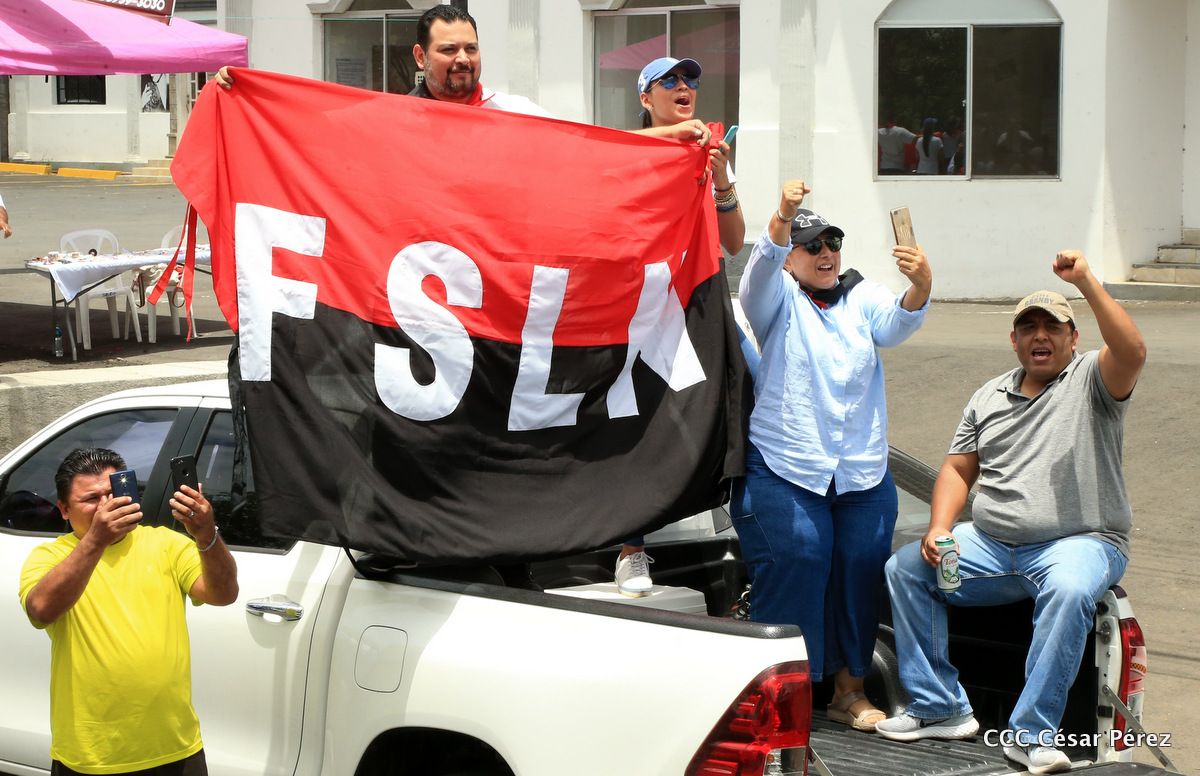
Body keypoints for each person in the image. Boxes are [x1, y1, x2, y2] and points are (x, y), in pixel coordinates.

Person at [876, 251, 1146, 775]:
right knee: (905, 569)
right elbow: (958, 470)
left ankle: (1032, 735)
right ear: (1014, 340)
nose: (1040, 336)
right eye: (1028, 328)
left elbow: (1132, 349)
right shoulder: (988, 396)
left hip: (1082, 541)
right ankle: (940, 706)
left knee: (1069, 587)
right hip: (993, 546)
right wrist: (939, 527)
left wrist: (1086, 280)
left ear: (1073, 339)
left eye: (1053, 327)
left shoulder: (1093, 379)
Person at [733, 180, 931, 730]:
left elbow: (894, 324)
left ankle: (848, 692)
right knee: (801, 560)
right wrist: (782, 215)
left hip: (862, 471)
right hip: (786, 465)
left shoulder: (860, 294)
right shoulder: (776, 297)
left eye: (833, 242)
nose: (826, 253)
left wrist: (920, 286)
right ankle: (779, 704)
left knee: (860, 573)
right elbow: (756, 274)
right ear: (790, 257)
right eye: (812, 245)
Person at [613, 55, 746, 598]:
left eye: (690, 79)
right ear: (646, 99)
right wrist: (674, 137)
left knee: (736, 401)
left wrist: (721, 177)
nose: (683, 86)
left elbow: (733, 241)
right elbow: (605, 153)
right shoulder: (630, 149)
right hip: (637, 305)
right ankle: (630, 549)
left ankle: (746, 527)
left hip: (697, 300)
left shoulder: (704, 154)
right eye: (668, 81)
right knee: (631, 418)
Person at [19, 448, 238, 775]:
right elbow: (41, 610)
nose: (105, 505)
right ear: (64, 509)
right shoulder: (49, 556)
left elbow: (224, 594)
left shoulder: (166, 544)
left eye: (113, 492)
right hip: (90, 756)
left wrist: (206, 532)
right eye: (91, 499)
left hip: (174, 748)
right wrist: (95, 540)